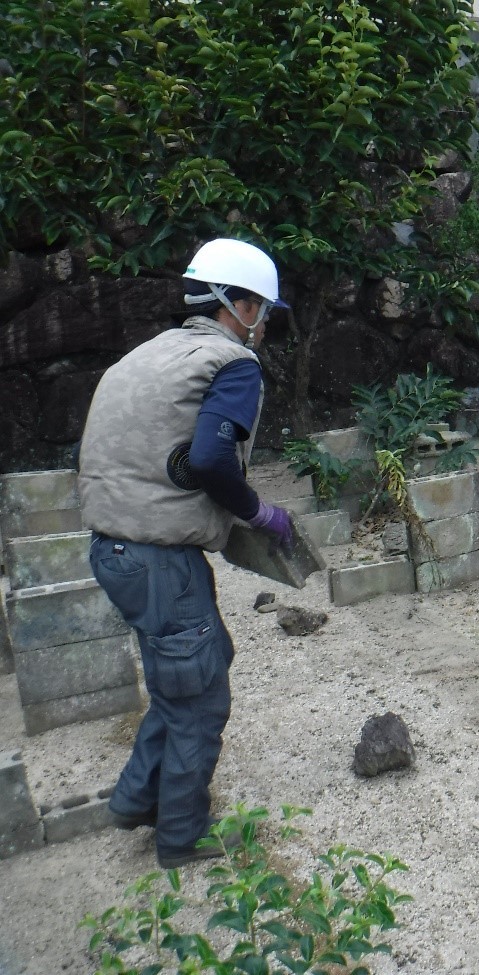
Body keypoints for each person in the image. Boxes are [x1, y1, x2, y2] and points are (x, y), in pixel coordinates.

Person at [78, 238, 293, 869]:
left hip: (112, 550)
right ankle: (181, 837)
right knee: (200, 695)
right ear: (242, 304)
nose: (264, 322)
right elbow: (208, 459)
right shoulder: (231, 363)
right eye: (263, 308)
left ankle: (136, 798)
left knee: (191, 669)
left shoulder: (145, 356)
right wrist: (258, 512)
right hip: (160, 559)